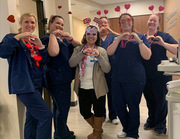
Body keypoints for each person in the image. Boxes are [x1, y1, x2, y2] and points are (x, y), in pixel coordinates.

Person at [0, 13, 53, 139]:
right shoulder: (12, 38)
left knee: (32, 118)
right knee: (46, 116)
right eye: (27, 22)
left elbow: (44, 61)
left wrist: (40, 45)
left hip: (37, 84)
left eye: (32, 22)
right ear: (21, 23)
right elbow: (3, 52)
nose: (30, 25)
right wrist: (19, 36)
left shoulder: (34, 41)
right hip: (25, 85)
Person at [107, 13, 151, 139]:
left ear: (132, 22)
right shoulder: (116, 38)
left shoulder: (141, 37)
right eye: (122, 21)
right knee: (118, 105)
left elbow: (147, 56)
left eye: (128, 20)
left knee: (133, 106)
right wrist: (119, 38)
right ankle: (126, 128)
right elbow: (109, 52)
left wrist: (138, 40)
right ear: (120, 23)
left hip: (135, 78)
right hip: (117, 77)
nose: (125, 22)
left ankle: (133, 133)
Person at [41, 15, 81, 139]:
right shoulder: (47, 38)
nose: (60, 26)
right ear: (50, 23)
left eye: (62, 24)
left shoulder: (63, 40)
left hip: (64, 78)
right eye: (57, 23)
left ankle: (62, 130)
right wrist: (53, 35)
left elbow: (79, 47)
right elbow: (54, 52)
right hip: (57, 79)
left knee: (59, 107)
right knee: (63, 108)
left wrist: (70, 38)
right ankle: (61, 134)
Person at [69, 25, 111, 139]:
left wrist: (99, 57)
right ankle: (98, 129)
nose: (91, 36)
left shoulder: (101, 50)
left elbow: (107, 69)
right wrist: (82, 53)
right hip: (82, 86)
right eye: (88, 34)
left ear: (97, 36)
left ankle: (97, 134)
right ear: (85, 36)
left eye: (93, 34)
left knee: (99, 111)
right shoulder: (78, 49)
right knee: (84, 112)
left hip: (98, 87)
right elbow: (71, 63)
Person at [142, 14, 178, 135]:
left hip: (161, 75)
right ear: (147, 22)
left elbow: (177, 49)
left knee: (161, 101)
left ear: (158, 23)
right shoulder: (142, 37)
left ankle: (161, 125)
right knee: (149, 100)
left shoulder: (164, 36)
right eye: (150, 20)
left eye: (154, 20)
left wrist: (163, 43)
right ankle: (151, 120)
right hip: (145, 74)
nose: (151, 22)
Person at [98, 16, 119, 125]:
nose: (103, 26)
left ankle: (113, 115)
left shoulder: (113, 37)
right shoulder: (95, 37)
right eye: (101, 24)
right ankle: (102, 115)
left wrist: (110, 31)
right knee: (101, 94)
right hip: (99, 71)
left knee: (112, 94)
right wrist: (97, 33)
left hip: (113, 70)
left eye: (105, 23)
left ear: (109, 25)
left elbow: (122, 37)